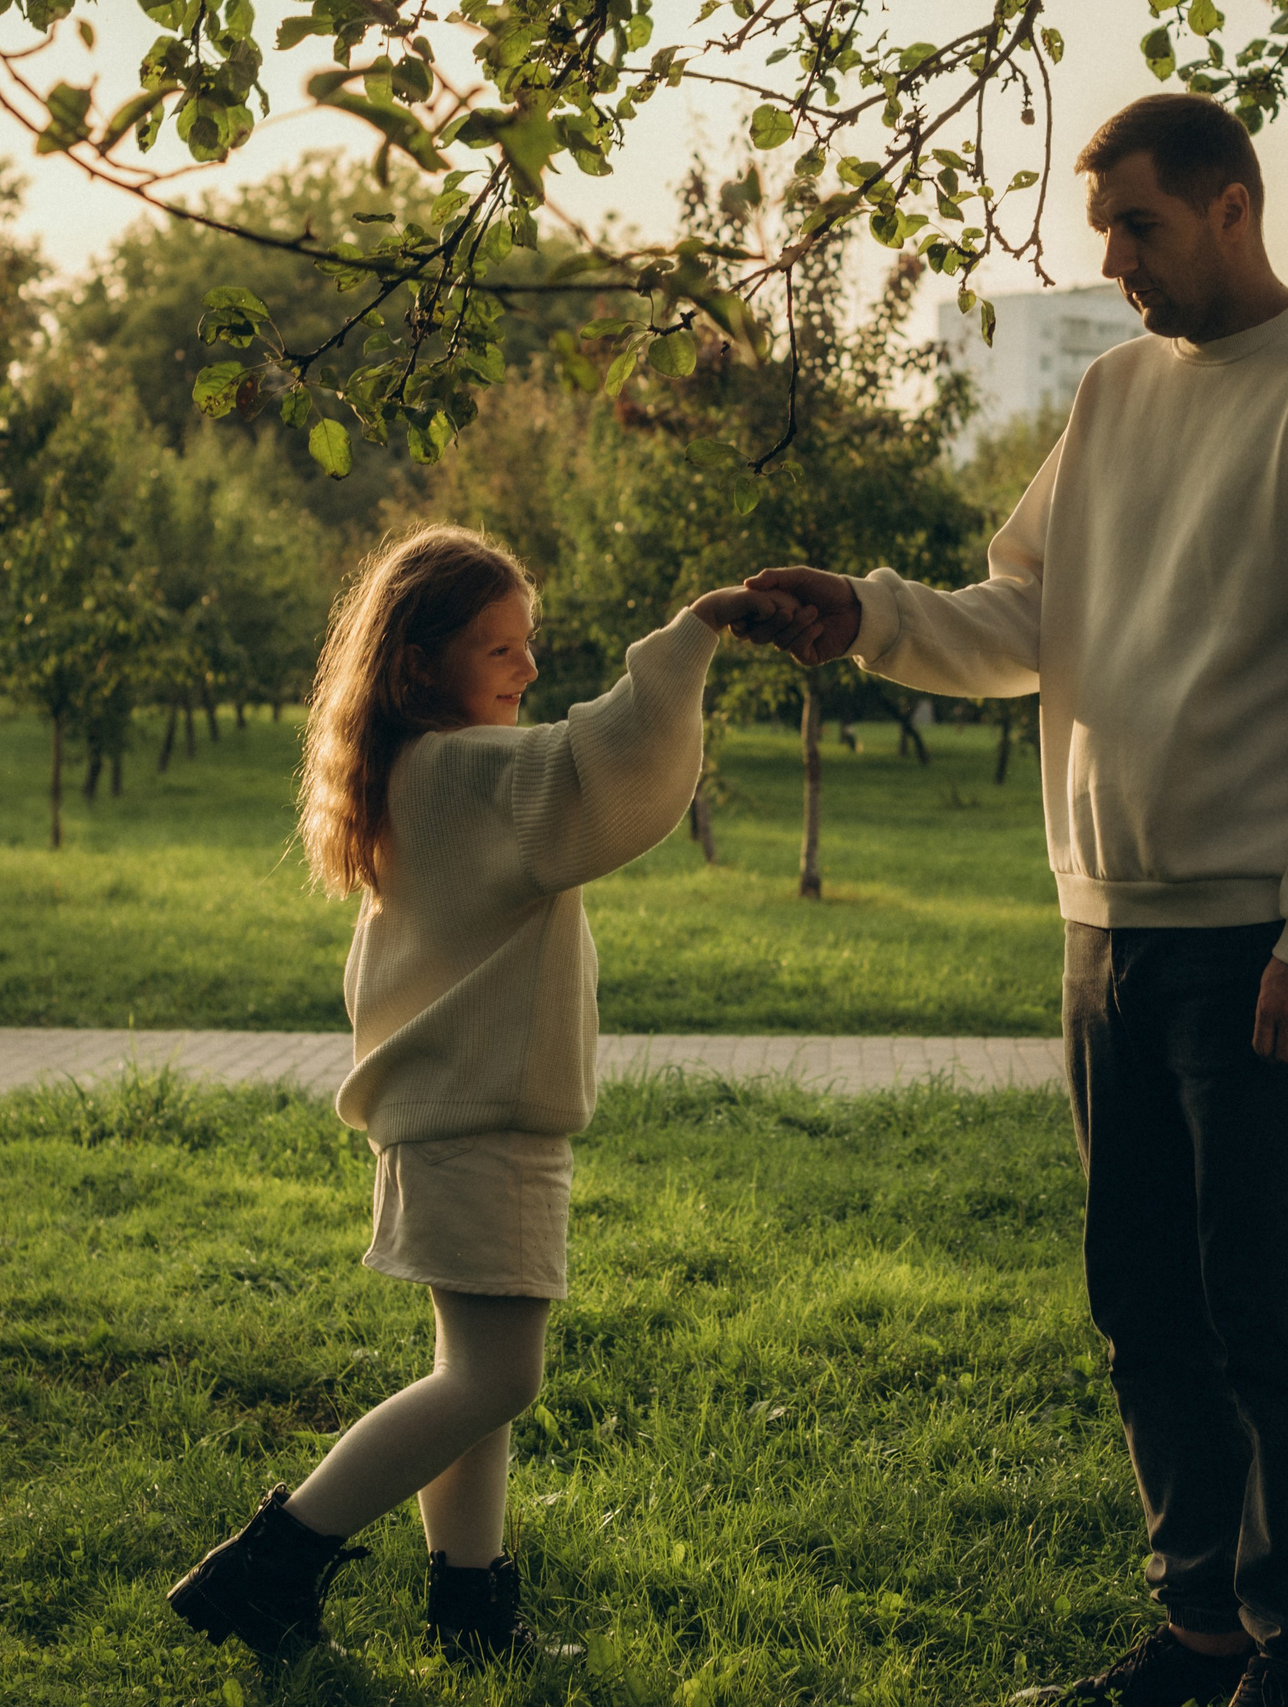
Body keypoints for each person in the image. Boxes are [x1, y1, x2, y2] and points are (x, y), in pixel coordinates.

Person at [741, 94, 1288, 1707]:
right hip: (1105, 933)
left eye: (1136, 224)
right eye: (1103, 227)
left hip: (1261, 941)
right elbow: (1025, 616)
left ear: (1231, 207)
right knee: (1144, 1306)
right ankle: (1196, 1633)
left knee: (1273, 1313)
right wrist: (863, 615)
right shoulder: (1119, 397)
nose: (1110, 258)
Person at [166, 525, 806, 1665]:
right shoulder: (472, 773)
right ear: (419, 664)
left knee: (470, 1379)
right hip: (483, 1122)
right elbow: (601, 766)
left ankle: (469, 1614)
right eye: (496, 648)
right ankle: (273, 1562)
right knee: (495, 1377)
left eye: (529, 644)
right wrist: (694, 634)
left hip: (446, 1119)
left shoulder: (415, 769)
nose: (525, 668)